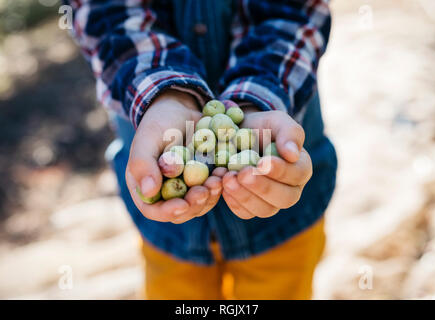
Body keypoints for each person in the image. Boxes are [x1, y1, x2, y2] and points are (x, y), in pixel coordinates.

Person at [65, 0, 337, 299]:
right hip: (169, 231)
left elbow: (291, 12)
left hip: (282, 219)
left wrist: (257, 95)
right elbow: (109, 14)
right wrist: (165, 95)